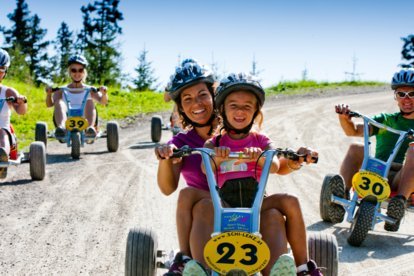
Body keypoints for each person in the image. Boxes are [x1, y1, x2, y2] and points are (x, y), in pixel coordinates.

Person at [155, 60, 290, 276]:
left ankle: (287, 268)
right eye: (187, 99)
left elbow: (275, 164)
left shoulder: (236, 125)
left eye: (202, 95)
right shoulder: (181, 142)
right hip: (207, 214)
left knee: (274, 214)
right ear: (180, 106)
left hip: (247, 202)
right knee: (197, 202)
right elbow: (167, 188)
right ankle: (188, 261)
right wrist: (165, 156)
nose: (196, 103)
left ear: (214, 96)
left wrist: (294, 160)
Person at [193, 72, 322, 276]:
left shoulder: (261, 141)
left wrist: (260, 158)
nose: (240, 111)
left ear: (255, 111)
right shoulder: (214, 143)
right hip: (224, 206)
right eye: (234, 105)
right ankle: (201, 269)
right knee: (203, 206)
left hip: (258, 206)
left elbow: (276, 166)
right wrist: (217, 158)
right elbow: (204, 168)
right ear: (222, 110)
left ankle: (302, 268)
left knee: (289, 202)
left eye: (247, 106)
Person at [335, 68, 414, 232]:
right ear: (396, 97)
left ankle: (397, 205)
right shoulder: (386, 120)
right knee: (356, 148)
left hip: (403, 176)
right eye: (401, 94)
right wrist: (344, 118)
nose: (407, 99)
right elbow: (353, 131)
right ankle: (340, 199)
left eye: (412, 94)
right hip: (377, 171)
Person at [45, 54, 108, 139]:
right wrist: (49, 95)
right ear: (69, 72)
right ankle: (62, 129)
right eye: (74, 70)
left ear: (84, 72)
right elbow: (49, 104)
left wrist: (104, 94)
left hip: (86, 120)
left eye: (80, 70)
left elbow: (103, 102)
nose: (77, 73)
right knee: (59, 102)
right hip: (66, 122)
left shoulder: (90, 89)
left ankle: (90, 129)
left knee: (89, 101)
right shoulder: (62, 89)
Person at [0, 48, 28, 178]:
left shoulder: (8, 92)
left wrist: (21, 101)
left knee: (0, 132)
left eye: (0, 70)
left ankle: (1, 159)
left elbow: (21, 112)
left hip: (3, 131)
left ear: (5, 72)